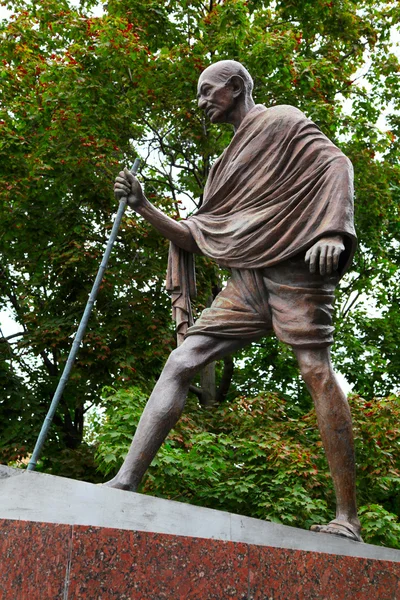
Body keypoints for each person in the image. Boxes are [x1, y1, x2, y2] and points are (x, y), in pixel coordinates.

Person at [110, 60, 362, 542]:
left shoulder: (282, 122)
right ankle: (126, 480)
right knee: (182, 361)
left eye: (208, 92)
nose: (202, 102)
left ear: (236, 87)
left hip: (296, 263)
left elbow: (338, 164)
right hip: (246, 280)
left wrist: (331, 229)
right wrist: (144, 205)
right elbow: (193, 237)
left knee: (314, 368)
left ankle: (347, 517)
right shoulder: (220, 169)